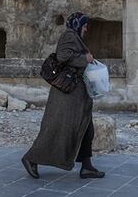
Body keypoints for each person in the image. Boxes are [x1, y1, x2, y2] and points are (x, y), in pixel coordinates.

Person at [21, 11, 105, 180]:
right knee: (55, 130)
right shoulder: (69, 35)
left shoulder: (75, 37)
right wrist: (85, 58)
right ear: (78, 24)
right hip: (66, 98)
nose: (86, 29)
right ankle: (31, 158)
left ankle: (87, 167)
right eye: (85, 26)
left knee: (86, 129)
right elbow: (63, 56)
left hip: (77, 97)